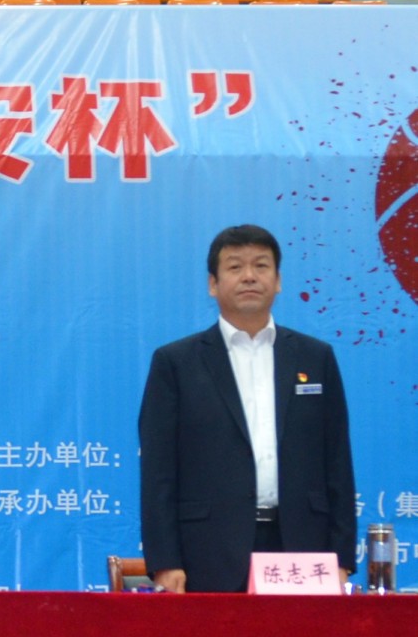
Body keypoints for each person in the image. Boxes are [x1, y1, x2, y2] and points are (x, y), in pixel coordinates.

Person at [139, 224, 356, 593]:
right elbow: (158, 471)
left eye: (261, 265)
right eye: (235, 267)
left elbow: (337, 461)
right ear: (213, 284)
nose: (250, 276)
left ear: (278, 280)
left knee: (297, 635)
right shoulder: (176, 363)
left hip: (302, 546)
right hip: (207, 550)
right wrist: (165, 561)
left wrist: (342, 557)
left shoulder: (315, 357)